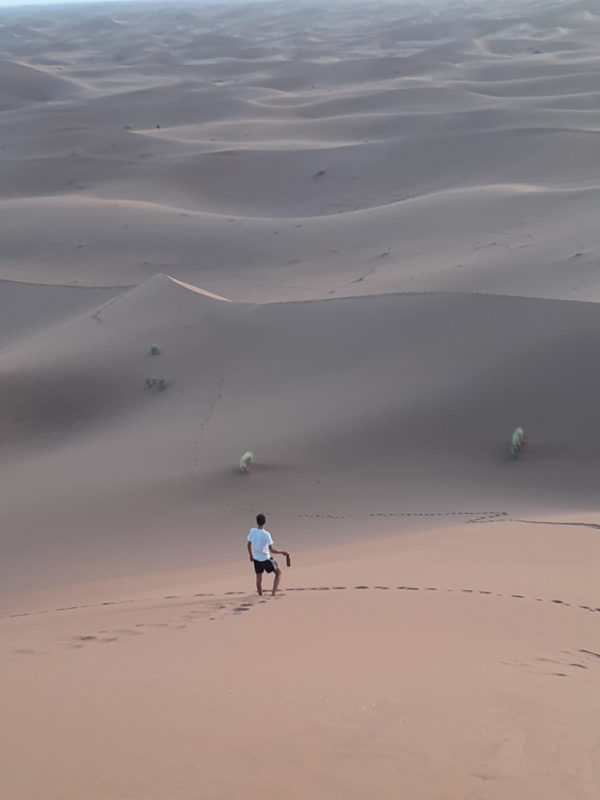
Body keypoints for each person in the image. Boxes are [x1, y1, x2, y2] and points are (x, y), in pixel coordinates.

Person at [247, 513, 289, 596]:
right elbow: (272, 550)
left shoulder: (252, 531)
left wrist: (251, 555)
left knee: (258, 579)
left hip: (256, 559)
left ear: (257, 521)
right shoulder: (266, 534)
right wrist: (282, 552)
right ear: (265, 522)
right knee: (278, 573)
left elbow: (248, 544)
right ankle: (273, 594)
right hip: (266, 559)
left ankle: (260, 595)